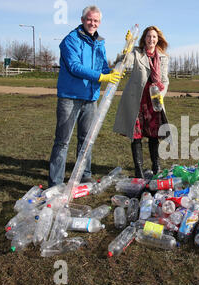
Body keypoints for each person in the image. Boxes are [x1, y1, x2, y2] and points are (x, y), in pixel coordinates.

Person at [48, 6, 123, 187]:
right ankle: (56, 182)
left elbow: (103, 67)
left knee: (86, 140)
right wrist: (101, 77)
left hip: (90, 98)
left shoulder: (100, 43)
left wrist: (117, 66)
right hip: (70, 97)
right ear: (83, 20)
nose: (92, 23)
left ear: (99, 23)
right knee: (63, 141)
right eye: (89, 19)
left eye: (96, 21)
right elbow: (74, 66)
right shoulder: (70, 40)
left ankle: (85, 174)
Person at [113, 26, 170, 178]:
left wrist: (161, 95)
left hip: (154, 101)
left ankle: (156, 167)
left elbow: (165, 80)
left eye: (154, 37)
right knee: (136, 135)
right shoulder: (137, 53)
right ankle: (138, 170)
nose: (151, 39)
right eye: (149, 36)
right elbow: (124, 61)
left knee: (153, 135)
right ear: (144, 38)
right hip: (137, 100)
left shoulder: (163, 58)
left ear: (158, 39)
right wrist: (128, 45)